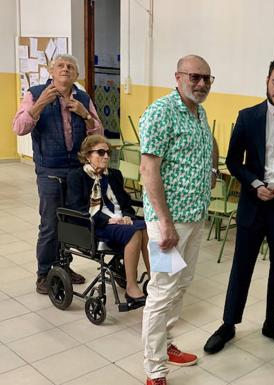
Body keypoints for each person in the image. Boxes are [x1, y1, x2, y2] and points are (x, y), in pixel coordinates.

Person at [204, 58, 274, 354]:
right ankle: (228, 324)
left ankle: (272, 322)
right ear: (267, 80)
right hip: (254, 204)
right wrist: (256, 184)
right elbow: (232, 162)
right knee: (241, 267)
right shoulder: (248, 117)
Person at [139, 54, 218, 385]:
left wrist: (211, 169)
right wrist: (165, 223)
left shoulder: (198, 112)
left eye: (206, 79)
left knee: (181, 285)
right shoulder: (161, 112)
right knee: (161, 291)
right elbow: (148, 169)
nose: (200, 84)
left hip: (195, 215)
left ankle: (167, 344)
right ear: (178, 77)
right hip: (167, 223)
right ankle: (154, 369)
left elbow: (208, 146)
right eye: (194, 77)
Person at [13, 54, 103, 294]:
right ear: (51, 72)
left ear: (77, 74)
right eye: (61, 66)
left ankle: (64, 266)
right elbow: (19, 128)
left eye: (71, 67)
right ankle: (44, 273)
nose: (66, 69)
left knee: (72, 221)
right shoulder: (35, 93)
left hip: (76, 171)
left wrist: (85, 114)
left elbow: (98, 132)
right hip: (49, 171)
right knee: (51, 224)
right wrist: (40, 104)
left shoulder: (83, 97)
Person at [65, 135, 149, 307]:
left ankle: (155, 279)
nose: (106, 156)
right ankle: (132, 288)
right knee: (134, 232)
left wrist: (126, 215)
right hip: (96, 224)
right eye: (100, 152)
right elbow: (78, 208)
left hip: (121, 220)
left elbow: (125, 202)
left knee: (147, 228)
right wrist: (108, 220)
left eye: (108, 153)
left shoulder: (114, 175)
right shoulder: (77, 176)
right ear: (87, 156)